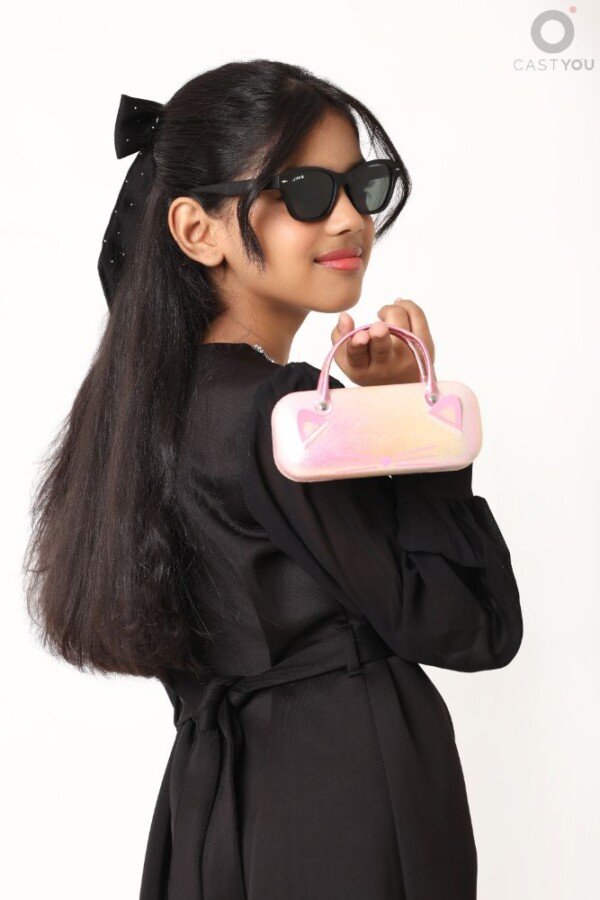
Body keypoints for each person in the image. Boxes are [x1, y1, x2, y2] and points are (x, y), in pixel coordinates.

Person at [24, 59, 523, 900]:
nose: (349, 217)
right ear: (198, 230)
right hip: (349, 800)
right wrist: (412, 420)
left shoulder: (142, 406)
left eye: (361, 185)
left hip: (212, 806)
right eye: (304, 192)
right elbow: (470, 627)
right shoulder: (285, 416)